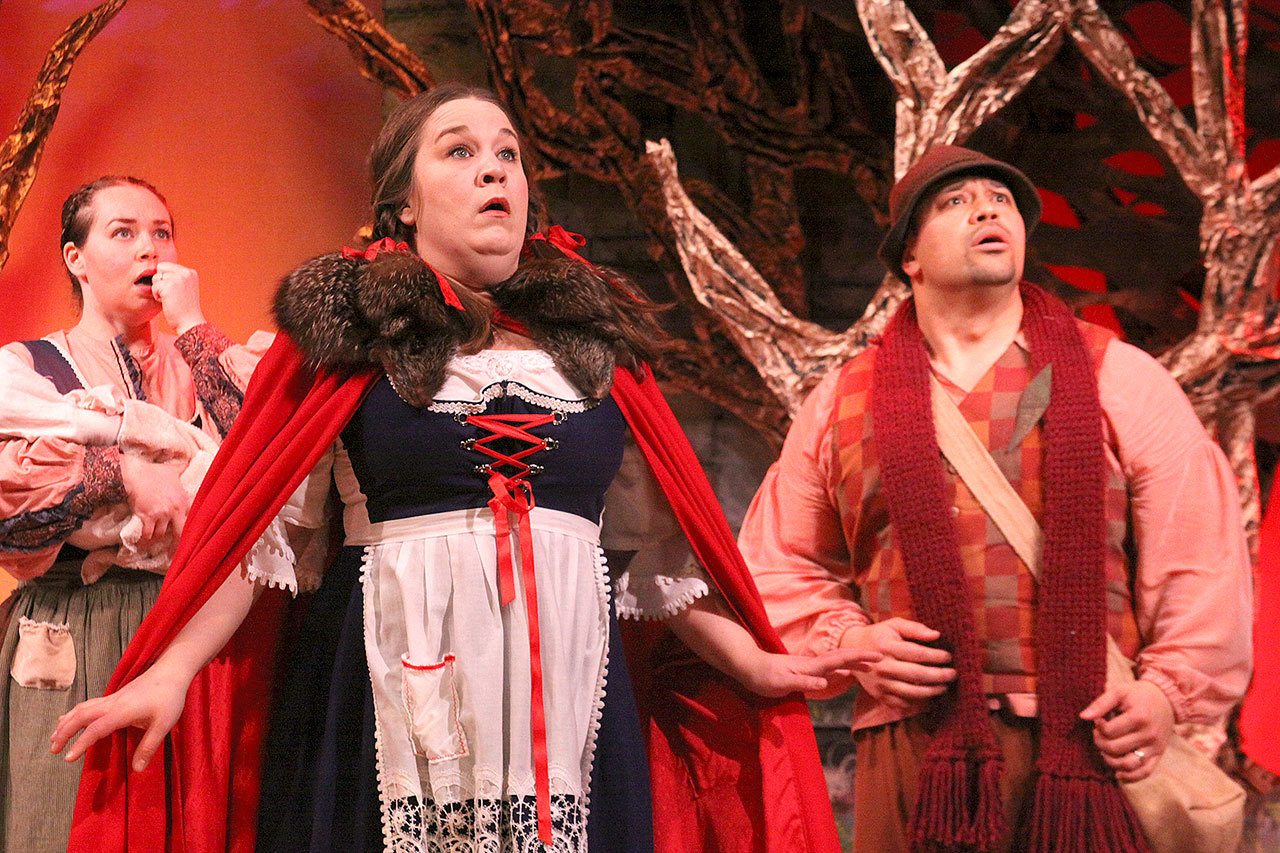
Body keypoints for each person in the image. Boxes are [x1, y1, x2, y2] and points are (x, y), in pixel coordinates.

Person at [51, 84, 874, 853]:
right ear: (402, 204)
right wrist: (170, 671)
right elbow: (264, 535)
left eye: (508, 154)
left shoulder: (598, 360)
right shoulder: (344, 347)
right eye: (458, 151)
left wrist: (759, 664)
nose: (492, 168)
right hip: (381, 685)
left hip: (570, 691)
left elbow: (653, 562)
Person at [738, 144, 1253, 852]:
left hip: (1091, 746)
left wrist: (1167, 693)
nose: (986, 208)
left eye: (1001, 200)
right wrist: (853, 644)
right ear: (909, 258)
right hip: (914, 752)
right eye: (954, 202)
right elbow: (776, 564)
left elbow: (1200, 556)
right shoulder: (841, 401)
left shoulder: (1119, 377)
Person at [0, 176, 267, 849]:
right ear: (75, 258)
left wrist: (195, 327)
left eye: (162, 232)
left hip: (187, 631)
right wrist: (118, 469)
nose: (150, 248)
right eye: (123, 232)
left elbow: (263, 464)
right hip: (71, 626)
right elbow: (9, 510)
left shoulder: (200, 360)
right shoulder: (26, 370)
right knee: (58, 818)